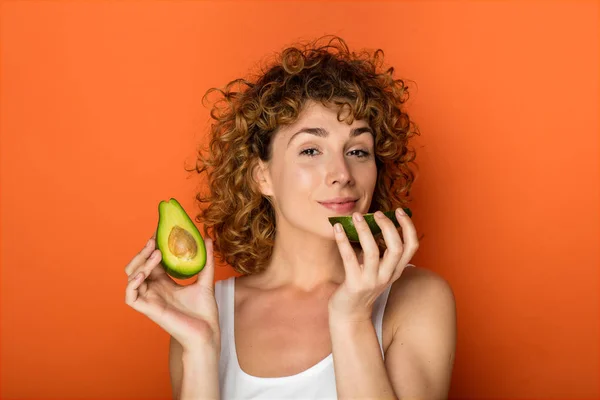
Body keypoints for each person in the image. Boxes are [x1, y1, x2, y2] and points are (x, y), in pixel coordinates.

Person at [125, 35, 456, 399]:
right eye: (311, 150)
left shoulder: (416, 298)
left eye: (358, 151)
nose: (342, 173)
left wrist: (351, 319)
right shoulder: (205, 312)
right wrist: (200, 348)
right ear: (262, 176)